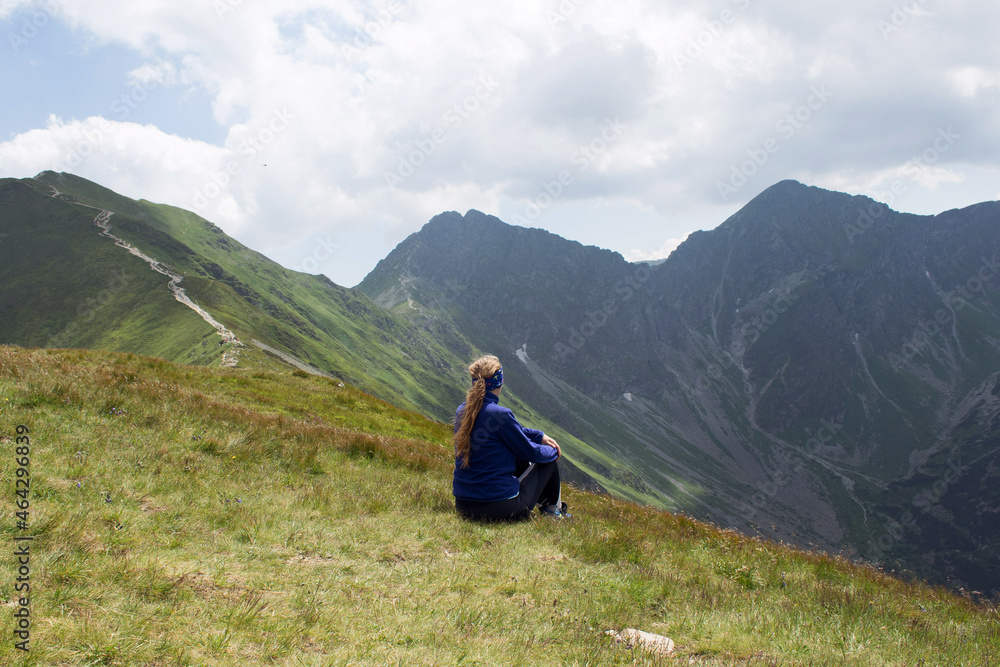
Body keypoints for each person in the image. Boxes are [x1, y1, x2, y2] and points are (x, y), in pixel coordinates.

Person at [452, 354, 570, 521]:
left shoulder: (462, 411)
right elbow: (532, 453)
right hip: (500, 508)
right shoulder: (501, 415)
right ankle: (555, 512)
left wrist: (539, 436)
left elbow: (512, 431)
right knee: (548, 461)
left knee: (514, 456)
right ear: (499, 383)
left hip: (463, 505)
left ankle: (549, 507)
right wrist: (553, 450)